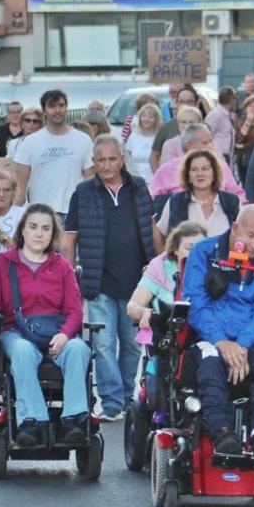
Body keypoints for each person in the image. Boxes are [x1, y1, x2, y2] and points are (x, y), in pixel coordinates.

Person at [0, 204, 91, 447]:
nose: (39, 233)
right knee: (22, 351)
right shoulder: (4, 263)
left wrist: (64, 336)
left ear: (53, 234)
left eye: (46, 228)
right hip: (16, 331)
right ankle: (33, 421)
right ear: (23, 231)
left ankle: (73, 420)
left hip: (55, 331)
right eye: (33, 227)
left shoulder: (62, 267)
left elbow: (74, 310)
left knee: (79, 349)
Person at [181, 204, 254, 458]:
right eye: (251, 236)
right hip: (209, 338)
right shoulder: (204, 253)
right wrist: (220, 341)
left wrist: (242, 345)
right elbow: (196, 304)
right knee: (209, 359)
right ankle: (222, 432)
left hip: (251, 340)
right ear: (235, 228)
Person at [63, 135, 153, 421]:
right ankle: (112, 403)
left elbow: (152, 230)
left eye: (112, 159)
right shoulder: (83, 191)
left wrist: (155, 269)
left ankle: (128, 399)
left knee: (131, 344)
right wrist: (68, 279)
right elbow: (69, 239)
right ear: (93, 162)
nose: (107, 165)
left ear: (122, 159)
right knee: (102, 345)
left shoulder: (138, 188)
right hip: (98, 281)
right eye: (100, 160)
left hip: (136, 283)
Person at [127, 221, 208, 408]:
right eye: (189, 247)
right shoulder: (161, 267)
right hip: (168, 335)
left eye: (201, 247)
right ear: (175, 250)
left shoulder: (212, 270)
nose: (196, 252)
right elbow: (132, 306)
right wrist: (147, 312)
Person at [12, 89, 94, 216]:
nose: (57, 110)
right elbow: (20, 188)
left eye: (61, 105)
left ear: (66, 108)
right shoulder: (29, 143)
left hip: (75, 213)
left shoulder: (83, 140)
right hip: (41, 215)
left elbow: (91, 180)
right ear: (44, 111)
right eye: (52, 106)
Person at [154, 148, 240, 251]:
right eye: (194, 169)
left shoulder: (232, 201)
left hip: (224, 264)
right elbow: (160, 234)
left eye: (205, 168)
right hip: (186, 265)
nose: (200, 173)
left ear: (214, 174)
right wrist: (166, 262)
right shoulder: (175, 202)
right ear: (188, 176)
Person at [150, 122, 246, 201]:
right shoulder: (166, 170)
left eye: (211, 141)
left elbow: (238, 194)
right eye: (205, 143)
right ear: (189, 146)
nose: (210, 146)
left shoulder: (221, 166)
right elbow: (152, 199)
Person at [150, 85, 207, 172]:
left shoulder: (205, 128)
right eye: (181, 101)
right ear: (176, 103)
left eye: (189, 102)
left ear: (196, 103)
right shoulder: (166, 127)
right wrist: (159, 178)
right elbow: (154, 156)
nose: (185, 105)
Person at [125, 101, 162, 181]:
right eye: (144, 116)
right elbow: (128, 160)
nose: (146, 119)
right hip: (135, 181)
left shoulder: (160, 137)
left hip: (154, 181)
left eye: (150, 117)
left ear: (156, 119)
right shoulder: (133, 136)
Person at [205, 86, 238, 163]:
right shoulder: (216, 114)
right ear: (231, 99)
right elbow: (206, 135)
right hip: (217, 156)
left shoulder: (227, 115)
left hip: (227, 156)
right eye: (235, 99)